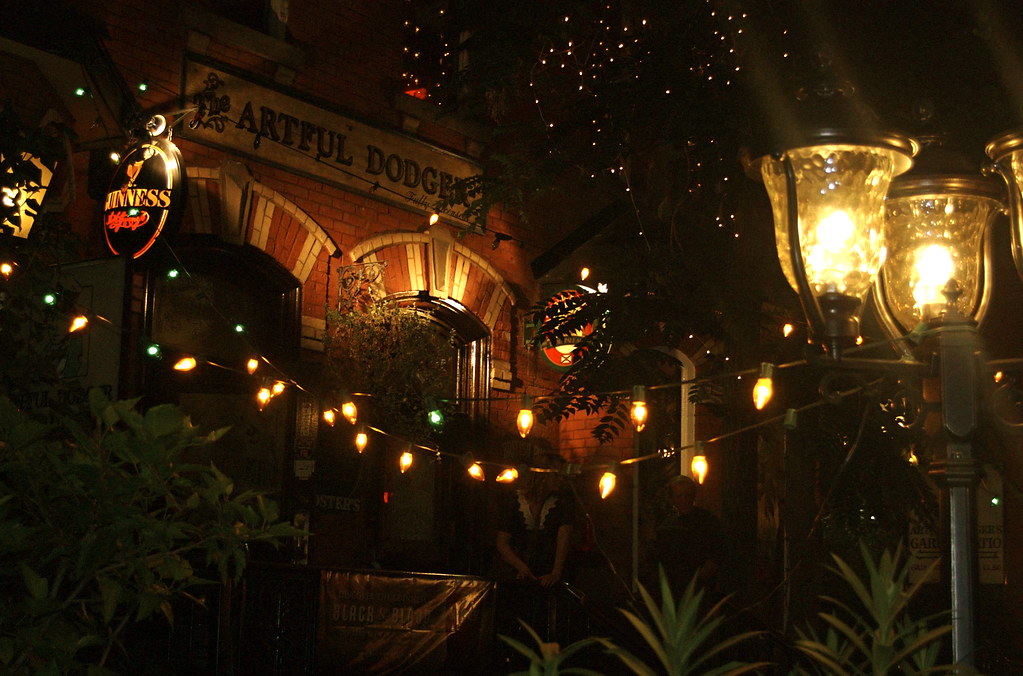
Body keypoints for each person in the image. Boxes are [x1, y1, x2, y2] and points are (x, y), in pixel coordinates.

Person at [649, 474, 725, 596]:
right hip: (673, 588)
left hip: (701, 589)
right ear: (672, 499)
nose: (684, 500)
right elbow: (660, 559)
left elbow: (716, 555)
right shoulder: (666, 526)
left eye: (687, 495)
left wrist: (699, 581)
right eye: (679, 496)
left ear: (693, 496)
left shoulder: (707, 521)